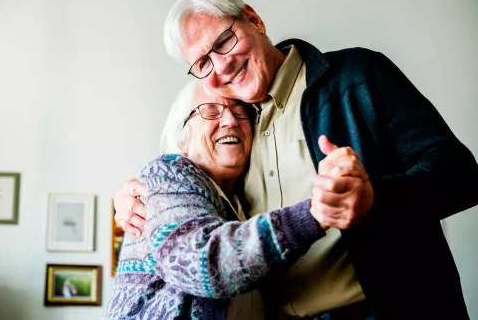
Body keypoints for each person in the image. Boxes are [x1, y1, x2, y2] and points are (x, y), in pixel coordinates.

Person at [114, 0, 478, 320]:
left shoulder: (357, 76)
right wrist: (134, 191)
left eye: (223, 41)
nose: (221, 65)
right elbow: (192, 198)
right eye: (203, 63)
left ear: (253, 19)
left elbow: (461, 174)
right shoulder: (236, 129)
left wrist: (374, 198)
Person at [105, 81, 361, 319]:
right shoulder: (168, 173)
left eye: (240, 112)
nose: (230, 120)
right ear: (182, 138)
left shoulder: (242, 202)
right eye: (210, 112)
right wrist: (315, 214)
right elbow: (199, 263)